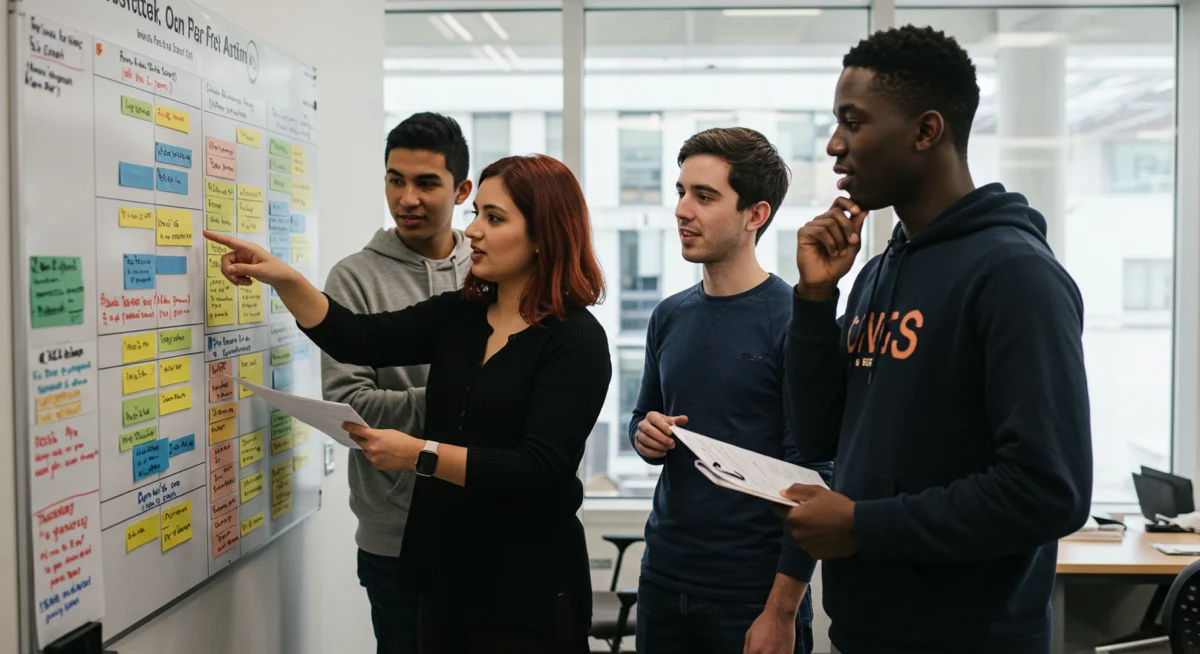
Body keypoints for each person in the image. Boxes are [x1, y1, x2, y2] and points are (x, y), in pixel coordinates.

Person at [205, 154, 610, 654]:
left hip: (527, 587)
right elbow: (360, 338)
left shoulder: (576, 340)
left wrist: (419, 453)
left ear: (544, 236)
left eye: (494, 218)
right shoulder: (461, 314)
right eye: (476, 213)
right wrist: (285, 279)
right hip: (441, 575)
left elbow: (537, 469)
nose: (475, 231)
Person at [781, 25, 1092, 654]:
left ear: (926, 132)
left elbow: (1049, 490)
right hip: (867, 630)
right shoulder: (877, 272)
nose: (835, 146)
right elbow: (818, 434)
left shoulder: (1014, 274)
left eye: (854, 122)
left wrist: (865, 526)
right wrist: (814, 302)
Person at [629, 127, 832, 654]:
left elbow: (814, 476)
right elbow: (643, 419)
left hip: (752, 595)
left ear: (755, 215)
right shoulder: (668, 315)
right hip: (663, 581)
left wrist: (781, 611)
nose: (682, 210)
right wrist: (645, 434)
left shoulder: (795, 322)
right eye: (680, 191)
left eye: (704, 196)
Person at [323, 112, 474, 654]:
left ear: (462, 190)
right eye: (395, 180)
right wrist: (470, 403)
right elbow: (350, 406)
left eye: (427, 183)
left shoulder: (489, 267)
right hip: (396, 535)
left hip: (482, 526)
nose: (407, 198)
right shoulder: (353, 277)